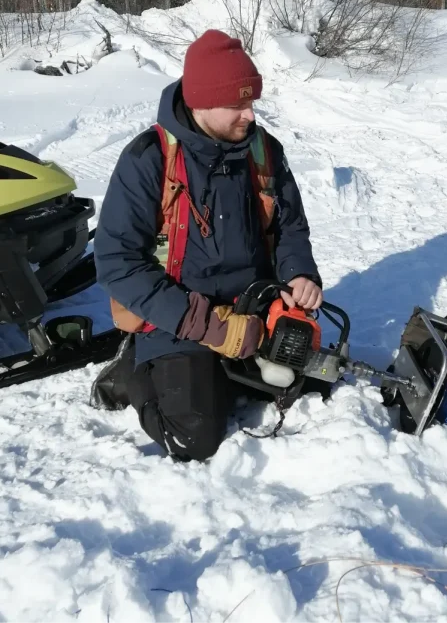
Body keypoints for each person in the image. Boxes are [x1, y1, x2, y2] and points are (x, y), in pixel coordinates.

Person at [93, 29, 322, 461]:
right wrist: (211, 328)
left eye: (251, 103)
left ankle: (220, 371)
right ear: (200, 102)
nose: (250, 116)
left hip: (252, 309)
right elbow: (116, 263)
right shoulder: (149, 160)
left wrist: (300, 274)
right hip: (177, 317)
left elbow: (292, 228)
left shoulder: (264, 152)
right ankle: (133, 368)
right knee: (195, 437)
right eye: (237, 105)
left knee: (315, 385)